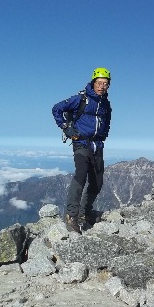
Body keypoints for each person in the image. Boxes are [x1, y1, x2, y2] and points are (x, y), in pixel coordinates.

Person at [51, 67, 112, 234]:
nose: (101, 86)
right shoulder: (81, 98)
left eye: (105, 84)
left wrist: (103, 136)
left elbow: (107, 121)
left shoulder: (105, 104)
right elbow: (56, 108)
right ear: (93, 83)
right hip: (81, 143)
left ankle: (85, 212)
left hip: (97, 145)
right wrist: (65, 127)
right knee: (81, 174)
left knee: (97, 182)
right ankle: (72, 216)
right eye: (99, 83)